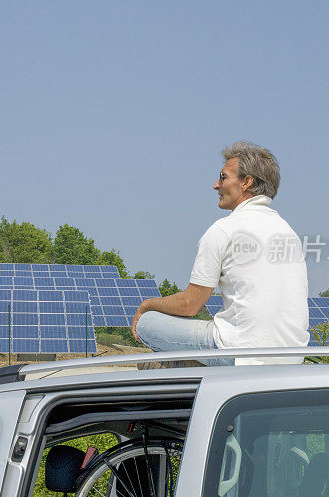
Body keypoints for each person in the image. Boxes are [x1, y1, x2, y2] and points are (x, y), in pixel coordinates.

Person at [132, 141, 309, 365]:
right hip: (291, 358)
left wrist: (146, 305)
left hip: (240, 353)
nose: (216, 185)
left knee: (147, 323)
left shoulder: (224, 229)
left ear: (246, 182)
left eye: (223, 177)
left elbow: (190, 304)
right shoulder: (288, 233)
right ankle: (189, 365)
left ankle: (181, 369)